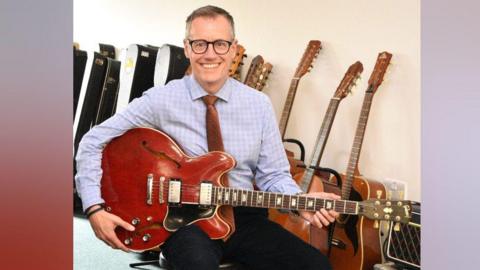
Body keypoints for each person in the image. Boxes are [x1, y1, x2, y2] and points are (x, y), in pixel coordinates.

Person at [75, 5, 340, 270]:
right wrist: (95, 208)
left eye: (220, 44)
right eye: (200, 44)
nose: (210, 54)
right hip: (184, 221)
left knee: (315, 265)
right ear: (187, 48)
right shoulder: (161, 99)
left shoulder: (258, 104)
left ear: (234, 48)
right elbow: (92, 141)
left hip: (244, 217)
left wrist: (300, 203)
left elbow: (274, 175)